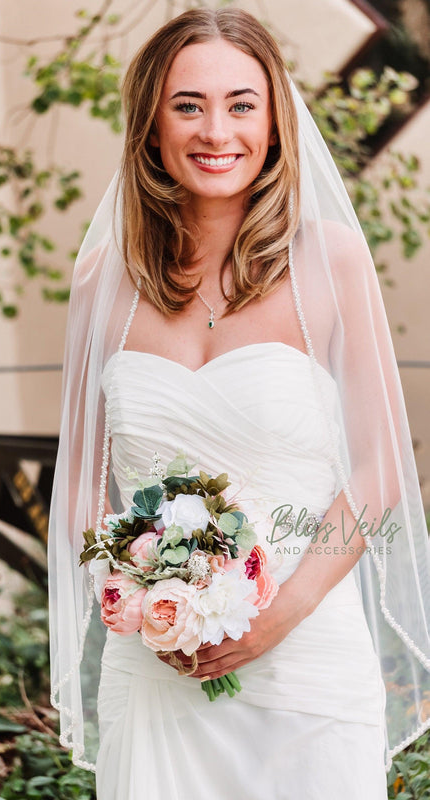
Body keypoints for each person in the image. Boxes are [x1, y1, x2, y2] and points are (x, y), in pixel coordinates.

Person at [48, 8, 430, 800]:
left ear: (274, 122)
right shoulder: (101, 285)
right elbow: (82, 486)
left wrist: (279, 613)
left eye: (240, 103)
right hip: (156, 668)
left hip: (306, 663)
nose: (215, 130)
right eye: (187, 105)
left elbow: (379, 469)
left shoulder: (329, 262)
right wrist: (133, 599)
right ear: (151, 124)